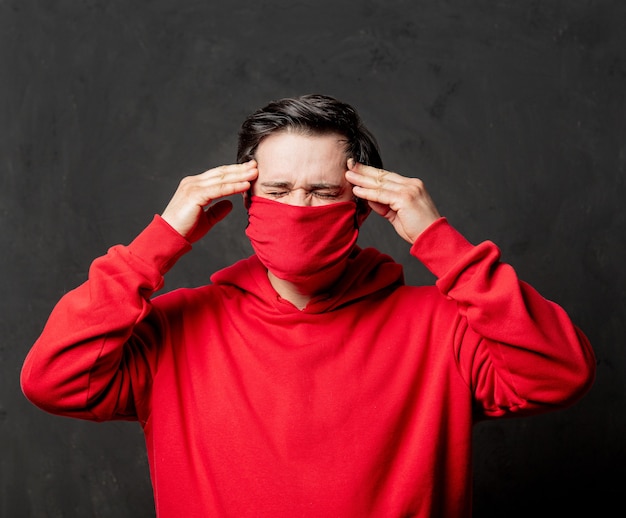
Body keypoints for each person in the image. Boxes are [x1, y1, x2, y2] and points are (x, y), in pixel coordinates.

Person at [21, 94, 596, 517]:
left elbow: (558, 372)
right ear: (243, 201)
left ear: (363, 206)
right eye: (277, 191)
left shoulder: (444, 327)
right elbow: (54, 380)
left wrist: (438, 241)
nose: (299, 207)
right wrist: (161, 239)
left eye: (323, 193)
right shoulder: (177, 328)